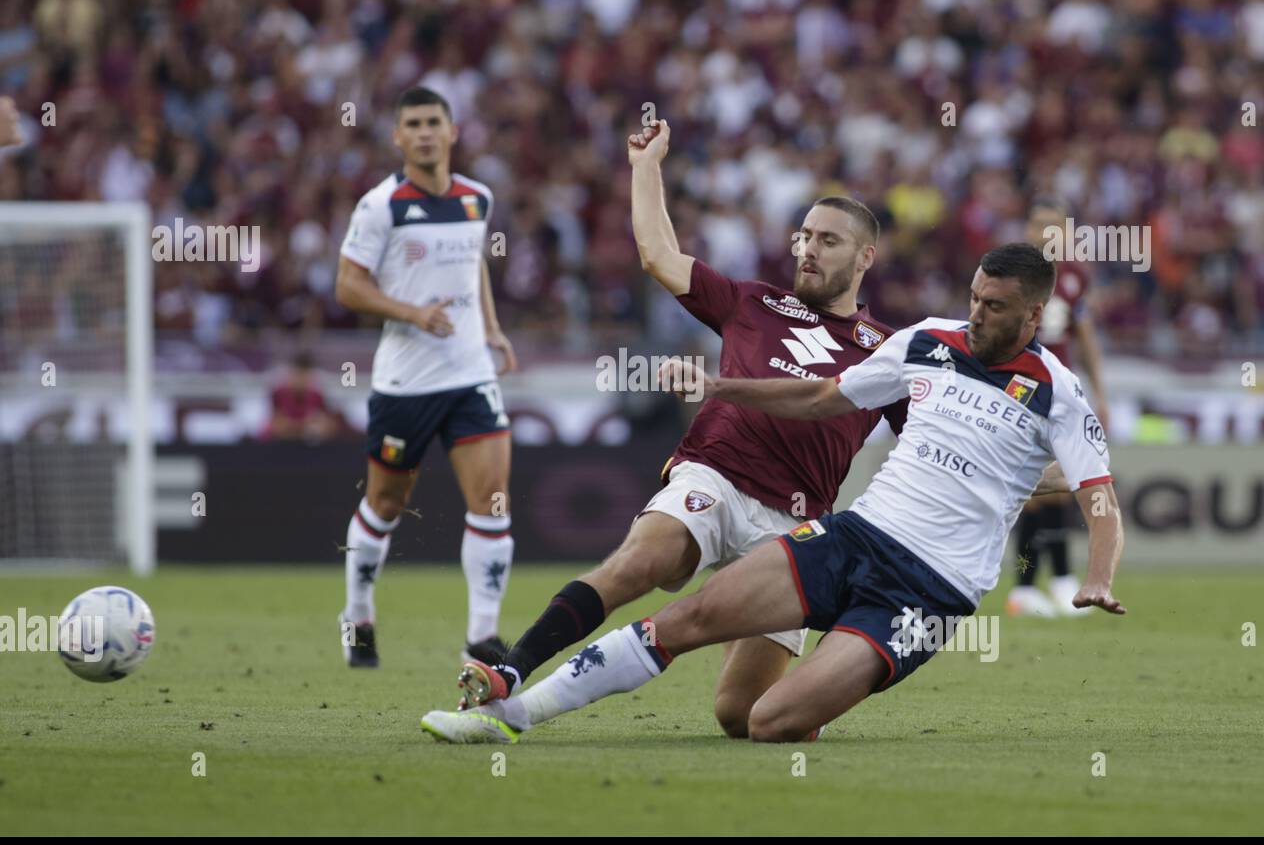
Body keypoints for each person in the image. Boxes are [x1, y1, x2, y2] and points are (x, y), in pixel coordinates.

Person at [421, 240, 1118, 744]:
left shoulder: (1058, 392)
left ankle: (826, 682)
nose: (976, 316)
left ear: (1032, 317)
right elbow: (820, 396)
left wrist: (1096, 576)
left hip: (931, 592)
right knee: (688, 619)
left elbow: (1100, 497)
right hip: (856, 536)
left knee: (764, 722)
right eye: (973, 298)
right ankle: (516, 713)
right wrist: (721, 385)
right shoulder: (927, 341)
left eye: (994, 308)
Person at [454, 117, 909, 737]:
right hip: (715, 475)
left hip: (794, 523)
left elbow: (934, 440)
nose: (807, 249)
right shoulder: (753, 301)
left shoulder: (888, 351)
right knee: (640, 562)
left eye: (827, 240)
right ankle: (510, 670)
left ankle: (825, 676)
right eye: (802, 235)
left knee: (742, 716)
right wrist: (647, 166)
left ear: (865, 257)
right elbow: (658, 255)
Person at [334, 85, 518, 668]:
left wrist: (490, 327)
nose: (424, 132)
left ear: (452, 130)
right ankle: (357, 614)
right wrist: (414, 313)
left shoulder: (476, 199)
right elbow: (347, 285)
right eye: (412, 123)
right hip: (404, 385)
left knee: (491, 501)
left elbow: (473, 267)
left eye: (433, 121)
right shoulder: (380, 205)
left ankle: (481, 637)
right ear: (398, 136)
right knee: (386, 503)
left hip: (468, 374)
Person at [1008, 196, 1109, 617]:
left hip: (1060, 391)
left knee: (1060, 485)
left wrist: (1100, 392)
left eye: (1055, 226)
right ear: (1027, 229)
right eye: (1039, 224)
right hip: (1018, 387)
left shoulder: (1073, 277)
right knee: (1030, 490)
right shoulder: (1009, 272)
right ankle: (1025, 585)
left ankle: (1061, 579)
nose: (1046, 233)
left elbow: (1083, 334)